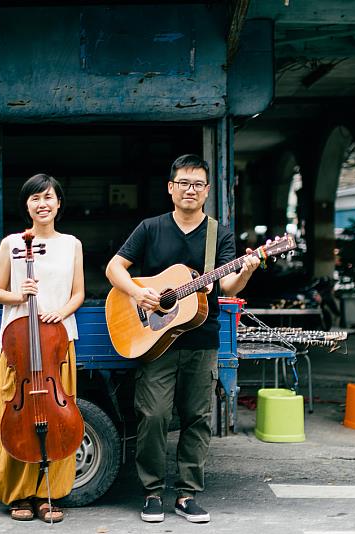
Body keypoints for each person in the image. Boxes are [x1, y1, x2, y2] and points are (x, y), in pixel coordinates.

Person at [105, 154, 260, 524]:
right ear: (171, 188)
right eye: (184, 183)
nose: (190, 190)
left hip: (201, 339)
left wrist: (247, 270)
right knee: (154, 415)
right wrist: (139, 294)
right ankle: (153, 492)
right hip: (155, 341)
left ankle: (188, 494)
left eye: (198, 184)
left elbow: (226, 284)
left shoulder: (218, 233)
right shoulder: (150, 227)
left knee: (197, 418)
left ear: (207, 191)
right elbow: (114, 268)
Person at [0, 173, 85, 523]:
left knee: (59, 421)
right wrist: (20, 294)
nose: (42, 204)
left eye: (48, 197)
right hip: (20, 349)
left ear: (59, 203)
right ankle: (18, 495)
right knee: (17, 418)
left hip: (57, 344)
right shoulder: (12, 243)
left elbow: (78, 293)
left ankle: (49, 494)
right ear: (26, 205)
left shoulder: (72, 244)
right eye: (34, 198)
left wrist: (61, 311)